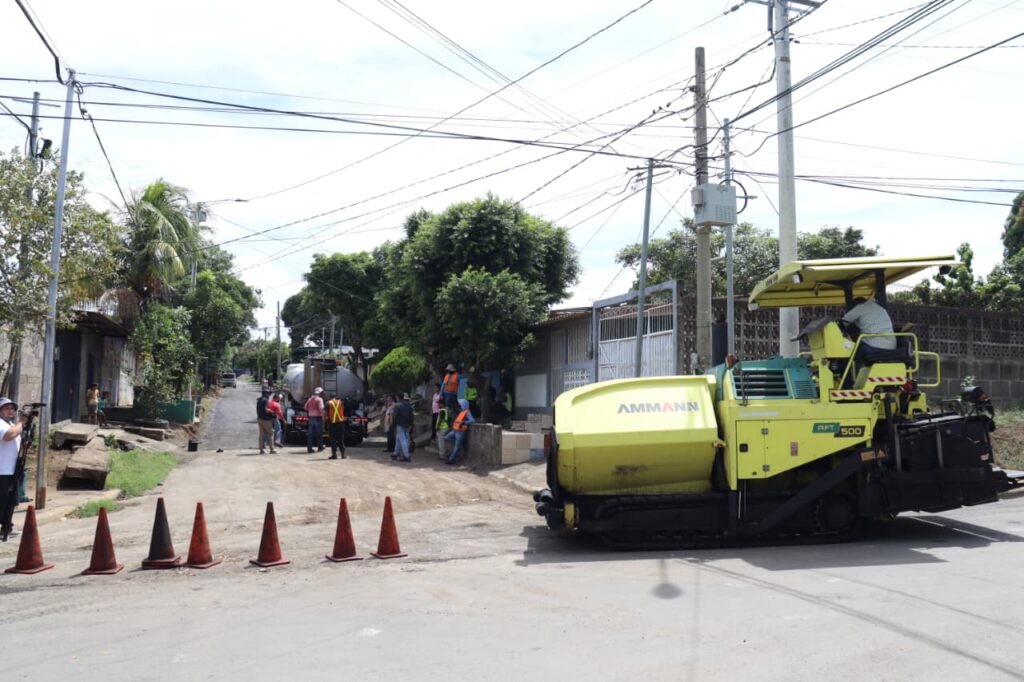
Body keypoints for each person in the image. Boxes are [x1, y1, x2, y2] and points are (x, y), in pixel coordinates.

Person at [0, 397, 27, 540]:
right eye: (6, 408)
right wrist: (21, 423)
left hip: (11, 470)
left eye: (12, 408)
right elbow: (9, 435)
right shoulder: (1, 424)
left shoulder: (10, 424)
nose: (10, 411)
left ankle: (7, 527)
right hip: (2, 470)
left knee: (10, 501)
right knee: (1, 500)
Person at [842, 296, 896, 365]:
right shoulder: (879, 308)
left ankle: (848, 375)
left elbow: (844, 321)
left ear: (857, 304)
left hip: (874, 346)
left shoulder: (860, 307)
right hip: (892, 345)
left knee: (848, 351)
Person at [444, 398, 474, 466]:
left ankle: (451, 460)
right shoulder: (462, 411)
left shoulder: (467, 411)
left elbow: (472, 420)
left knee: (456, 447)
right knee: (446, 438)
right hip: (455, 430)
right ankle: (460, 445)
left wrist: (465, 422)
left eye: (460, 404)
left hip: (460, 431)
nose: (459, 405)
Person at [391, 393, 414, 462]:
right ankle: (396, 453)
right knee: (400, 439)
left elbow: (395, 416)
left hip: (400, 424)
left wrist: (393, 424)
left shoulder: (397, 405)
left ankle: (406, 456)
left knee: (402, 440)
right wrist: (412, 424)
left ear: (397, 397)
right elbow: (411, 415)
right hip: (407, 424)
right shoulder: (408, 405)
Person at [325, 393, 347, 460]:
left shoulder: (328, 403)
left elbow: (325, 414)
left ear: (330, 397)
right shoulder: (340, 402)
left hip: (332, 425)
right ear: (336, 397)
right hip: (341, 424)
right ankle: (343, 455)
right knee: (341, 440)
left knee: (333, 440)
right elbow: (343, 411)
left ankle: (334, 455)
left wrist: (324, 424)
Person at [305, 387, 325, 453]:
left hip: (311, 418)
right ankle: (320, 447)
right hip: (317, 418)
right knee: (319, 433)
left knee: (310, 434)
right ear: (320, 393)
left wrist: (310, 411)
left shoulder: (310, 399)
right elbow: (321, 409)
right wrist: (323, 416)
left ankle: (309, 448)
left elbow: (305, 407)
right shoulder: (319, 399)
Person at [256, 389, 276, 454]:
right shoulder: (265, 400)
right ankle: (272, 449)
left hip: (260, 419)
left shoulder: (259, 400)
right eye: (268, 394)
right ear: (266, 394)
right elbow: (266, 409)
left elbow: (257, 410)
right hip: (266, 420)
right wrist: (272, 412)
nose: (269, 395)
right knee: (271, 434)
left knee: (261, 434)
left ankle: (261, 450)